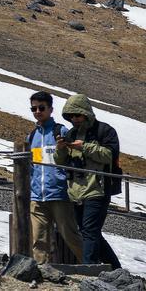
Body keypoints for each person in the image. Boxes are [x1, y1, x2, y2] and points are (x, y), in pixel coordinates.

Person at [54, 94, 122, 268]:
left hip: (97, 190)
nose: (74, 119)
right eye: (71, 116)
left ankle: (88, 269)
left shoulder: (105, 131)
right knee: (89, 232)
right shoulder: (71, 133)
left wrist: (83, 147)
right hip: (76, 191)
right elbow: (60, 162)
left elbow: (109, 155)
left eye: (77, 115)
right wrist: (61, 149)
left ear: (86, 113)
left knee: (90, 231)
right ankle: (114, 267)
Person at [27, 91, 82, 264]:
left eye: (41, 107)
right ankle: (42, 272)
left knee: (71, 235)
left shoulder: (61, 131)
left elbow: (72, 158)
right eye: (33, 108)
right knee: (38, 239)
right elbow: (32, 166)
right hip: (37, 196)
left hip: (60, 194)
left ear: (50, 109)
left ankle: (91, 266)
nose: (37, 111)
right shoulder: (32, 136)